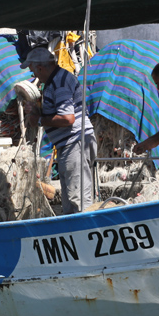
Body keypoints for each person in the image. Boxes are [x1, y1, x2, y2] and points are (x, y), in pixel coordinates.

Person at [21, 46, 96, 214]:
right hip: (71, 143)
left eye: (32, 69)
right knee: (71, 197)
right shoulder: (53, 82)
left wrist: (39, 120)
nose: (33, 74)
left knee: (78, 198)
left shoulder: (59, 83)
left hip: (75, 142)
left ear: (40, 67)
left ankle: (82, 233)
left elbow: (68, 118)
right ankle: (74, 230)